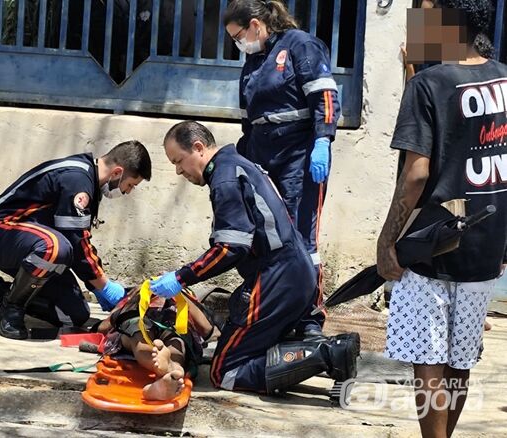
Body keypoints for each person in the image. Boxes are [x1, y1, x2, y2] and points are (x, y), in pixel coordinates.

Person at [151, 121, 358, 394]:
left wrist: (181, 277)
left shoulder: (225, 178)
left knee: (225, 372)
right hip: (293, 274)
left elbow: (230, 248)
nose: (179, 171)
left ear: (198, 148)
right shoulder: (238, 165)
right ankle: (324, 353)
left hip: (276, 279)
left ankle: (329, 354)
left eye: (178, 161)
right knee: (244, 348)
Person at [376, 1, 506, 436]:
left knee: (429, 357)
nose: (418, 22)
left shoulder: (429, 85)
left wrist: (387, 241)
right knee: (461, 356)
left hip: (433, 241)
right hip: (487, 242)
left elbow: (416, 174)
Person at [223, 0, 341, 338]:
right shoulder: (254, 60)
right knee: (266, 237)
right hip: (262, 153)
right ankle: (275, 310)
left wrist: (323, 140)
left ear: (256, 25)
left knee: (302, 238)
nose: (239, 43)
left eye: (238, 36)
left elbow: (325, 96)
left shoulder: (300, 45)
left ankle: (309, 318)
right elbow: (248, 118)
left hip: (299, 156)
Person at [0, 141, 152, 340]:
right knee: (55, 247)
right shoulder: (77, 180)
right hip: (2, 231)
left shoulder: (89, 183)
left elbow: (79, 242)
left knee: (74, 314)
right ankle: (12, 308)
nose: (127, 192)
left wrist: (97, 285)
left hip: (35, 244)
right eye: (130, 185)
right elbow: (76, 241)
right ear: (117, 172)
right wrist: (103, 286)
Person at [95, 286, 218, 401]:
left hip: (168, 324)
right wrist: (137, 295)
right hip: (149, 321)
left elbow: (103, 327)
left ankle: (168, 370)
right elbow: (207, 330)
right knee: (162, 340)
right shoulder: (140, 291)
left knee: (162, 341)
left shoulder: (186, 296)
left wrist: (179, 293)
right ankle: (172, 368)